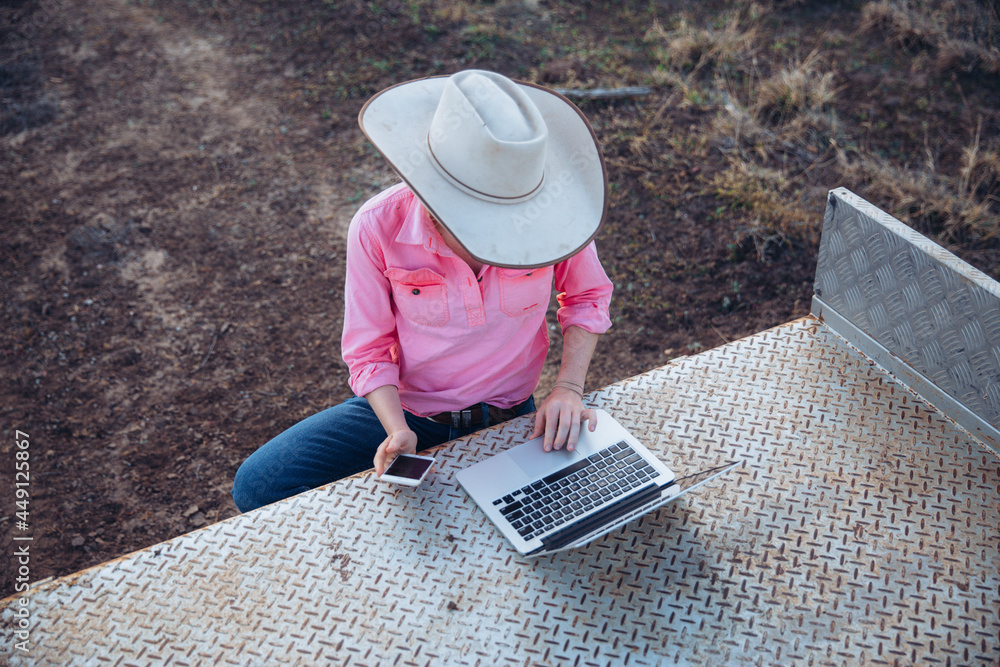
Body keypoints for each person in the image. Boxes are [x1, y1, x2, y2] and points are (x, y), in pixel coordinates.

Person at [232, 70, 613, 513]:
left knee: (535, 525)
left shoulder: (552, 217)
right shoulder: (376, 226)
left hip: (512, 417)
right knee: (259, 485)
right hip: (412, 414)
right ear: (433, 195)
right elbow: (368, 349)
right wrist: (396, 430)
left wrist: (568, 387)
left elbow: (586, 297)